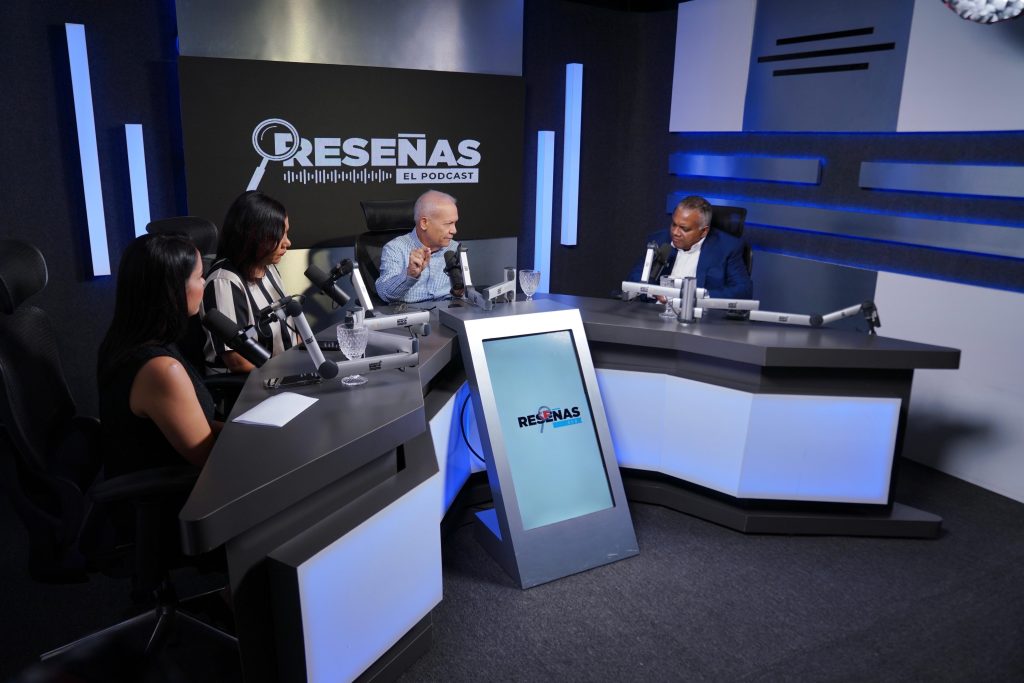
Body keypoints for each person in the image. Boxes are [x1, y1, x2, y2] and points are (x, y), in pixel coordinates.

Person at [97, 234, 221, 476]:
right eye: (199, 276)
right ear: (174, 290)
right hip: (176, 494)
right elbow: (210, 461)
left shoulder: (126, 340)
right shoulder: (161, 370)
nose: (204, 283)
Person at [202, 190, 295, 373]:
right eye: (279, 235)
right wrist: (288, 373)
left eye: (286, 233)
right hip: (249, 384)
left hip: (282, 372)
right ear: (255, 237)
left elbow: (290, 330)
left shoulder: (268, 268)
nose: (288, 243)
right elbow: (237, 361)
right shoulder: (224, 281)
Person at [628, 195, 752, 300]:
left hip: (698, 314)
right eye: (674, 224)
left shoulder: (727, 247)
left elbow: (743, 291)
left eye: (684, 228)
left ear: (704, 231)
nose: (675, 232)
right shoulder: (659, 240)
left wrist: (696, 297)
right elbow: (635, 277)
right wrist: (655, 292)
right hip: (656, 311)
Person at [376, 189, 462, 303]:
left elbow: (463, 295)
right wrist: (410, 275)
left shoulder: (455, 248)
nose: (454, 230)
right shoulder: (395, 248)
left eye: (455, 223)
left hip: (448, 310)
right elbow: (385, 294)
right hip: (410, 312)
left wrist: (459, 292)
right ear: (424, 223)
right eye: (448, 224)